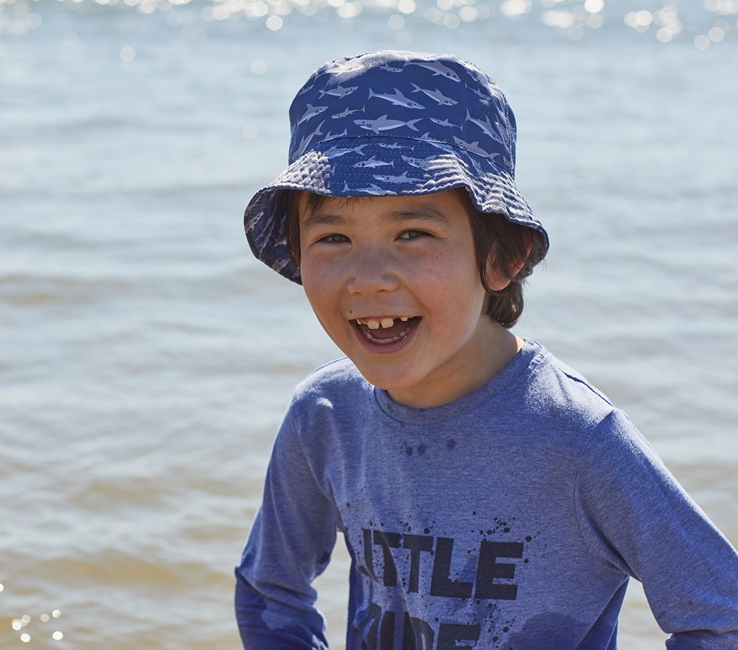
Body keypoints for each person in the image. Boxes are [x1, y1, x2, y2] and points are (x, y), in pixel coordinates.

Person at [234, 50, 738, 649]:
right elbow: (270, 590)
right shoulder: (324, 416)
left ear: (502, 255)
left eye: (412, 233)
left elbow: (719, 616)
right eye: (334, 236)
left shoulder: (578, 440)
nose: (368, 278)